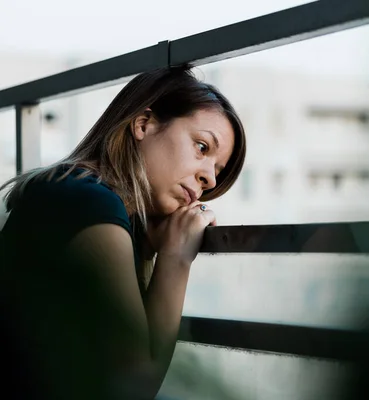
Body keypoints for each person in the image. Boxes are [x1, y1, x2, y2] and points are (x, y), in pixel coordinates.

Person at [0, 63, 246, 400]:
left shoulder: (84, 196)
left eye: (217, 170)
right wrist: (175, 258)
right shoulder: (86, 201)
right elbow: (137, 387)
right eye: (202, 147)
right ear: (144, 124)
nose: (211, 180)